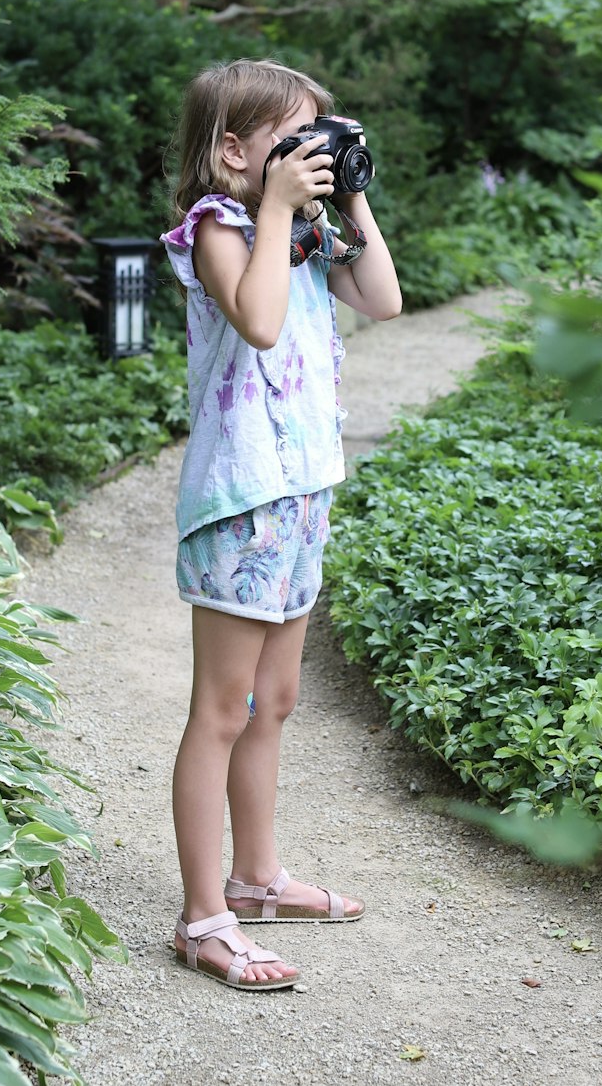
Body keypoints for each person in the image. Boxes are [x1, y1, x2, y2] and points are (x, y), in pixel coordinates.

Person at [160, 58, 402, 990]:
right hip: (240, 496)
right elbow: (258, 321)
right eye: (296, 140)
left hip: (303, 490)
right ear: (234, 151)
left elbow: (381, 299)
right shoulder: (221, 228)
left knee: (277, 701)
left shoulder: (300, 231)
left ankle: (258, 879)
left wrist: (352, 203)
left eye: (324, 140)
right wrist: (273, 210)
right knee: (222, 709)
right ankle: (202, 919)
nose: (314, 156)